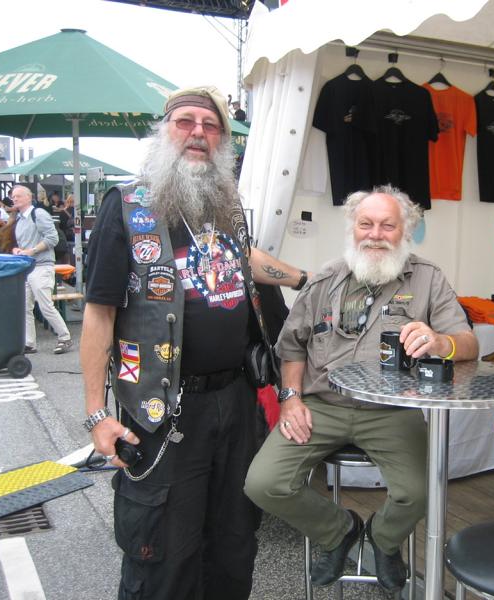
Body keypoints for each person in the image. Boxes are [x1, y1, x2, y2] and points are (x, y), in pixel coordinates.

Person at [80, 85, 309, 600]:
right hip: (164, 409)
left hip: (235, 402)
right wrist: (97, 414)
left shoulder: (227, 205)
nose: (198, 133)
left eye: (211, 126)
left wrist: (304, 279)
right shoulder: (127, 206)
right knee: (163, 551)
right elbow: (98, 314)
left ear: (223, 140)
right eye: (186, 121)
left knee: (233, 542)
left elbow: (244, 259)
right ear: (164, 131)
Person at [245, 185, 478, 593]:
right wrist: (291, 399)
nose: (375, 234)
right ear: (353, 228)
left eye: (388, 225)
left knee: (418, 492)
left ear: (406, 230)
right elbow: (292, 347)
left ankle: (384, 540)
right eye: (366, 224)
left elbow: (469, 343)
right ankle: (340, 530)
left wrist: (442, 342)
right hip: (322, 406)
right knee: (263, 483)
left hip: (393, 410)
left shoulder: (428, 278)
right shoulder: (325, 280)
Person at [10, 185, 73, 355]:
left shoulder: (38, 214)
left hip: (41, 266)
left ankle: (65, 337)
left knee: (45, 306)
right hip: (27, 267)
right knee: (25, 307)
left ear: (29, 197)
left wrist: (32, 251)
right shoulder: (20, 219)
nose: (14, 199)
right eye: (13, 196)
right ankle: (29, 343)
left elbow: (52, 238)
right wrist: (18, 250)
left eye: (18, 196)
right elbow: (26, 244)